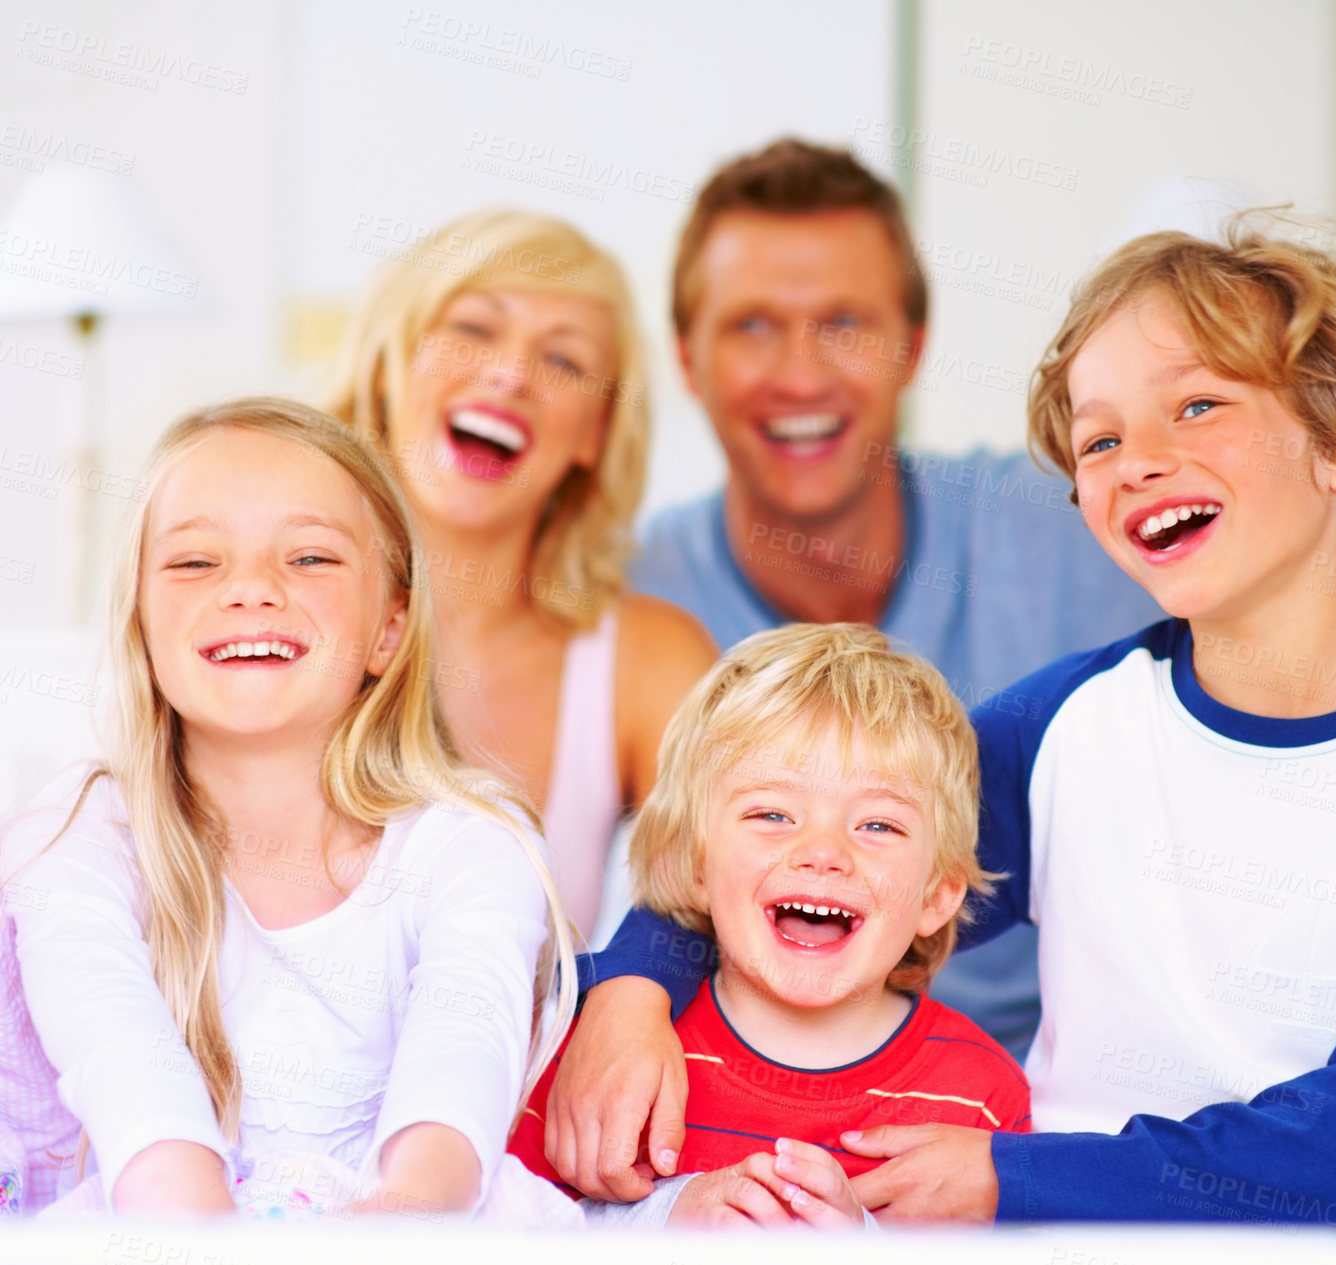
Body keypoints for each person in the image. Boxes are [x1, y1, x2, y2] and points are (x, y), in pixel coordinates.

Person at [543, 226, 1336, 1232]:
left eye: (1200, 404)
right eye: (1102, 438)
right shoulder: (1065, 728)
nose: (1138, 461)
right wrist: (631, 988)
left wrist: (1014, 1178)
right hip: (1082, 1221)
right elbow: (800, 847)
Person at [0, 399, 581, 1223]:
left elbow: (458, 1087)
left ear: (389, 629)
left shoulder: (473, 839)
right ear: (141, 624)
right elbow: (128, 1081)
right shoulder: (77, 833)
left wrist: (393, 1226)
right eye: (195, 562)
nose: (252, 590)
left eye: (310, 557)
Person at [510, 623, 1030, 1227]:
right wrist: (666, 1220)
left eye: (878, 826)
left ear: (938, 896)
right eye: (773, 814)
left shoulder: (982, 1096)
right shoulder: (598, 1059)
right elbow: (501, 1227)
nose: (823, 851)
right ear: (695, 865)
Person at [327, 208, 714, 947]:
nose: (509, 373)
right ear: (389, 364)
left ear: (595, 435)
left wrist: (634, 986)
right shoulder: (265, 608)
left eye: (564, 361)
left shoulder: (645, 658)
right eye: (474, 328)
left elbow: (732, 880)